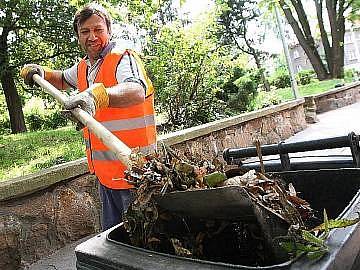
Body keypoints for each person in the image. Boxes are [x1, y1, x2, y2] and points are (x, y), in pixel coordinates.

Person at [20, 2, 157, 231]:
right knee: (114, 244)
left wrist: (97, 96)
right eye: (85, 31)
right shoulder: (84, 67)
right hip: (107, 176)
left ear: (109, 31)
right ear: (78, 36)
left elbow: (136, 90)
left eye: (98, 29)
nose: (92, 36)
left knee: (142, 243)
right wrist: (41, 73)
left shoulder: (122, 57)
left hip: (136, 173)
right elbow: (62, 79)